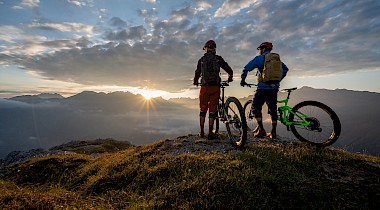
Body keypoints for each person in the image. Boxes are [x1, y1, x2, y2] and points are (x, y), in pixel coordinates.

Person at [240, 42, 289, 139]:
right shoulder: (276, 60)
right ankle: (273, 132)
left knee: (255, 107)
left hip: (262, 88)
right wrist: (278, 79)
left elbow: (246, 68)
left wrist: (243, 79)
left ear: (263, 49)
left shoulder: (259, 58)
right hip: (274, 88)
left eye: (259, 49)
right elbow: (285, 69)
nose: (259, 51)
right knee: (273, 109)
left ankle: (261, 130)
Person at [193, 40, 234, 140]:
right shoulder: (218, 59)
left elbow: (197, 72)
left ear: (206, 48)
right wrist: (230, 77)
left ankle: (202, 132)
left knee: (203, 109)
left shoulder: (202, 60)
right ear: (214, 49)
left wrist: (195, 81)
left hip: (205, 88)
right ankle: (210, 133)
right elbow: (229, 69)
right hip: (216, 87)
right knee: (212, 110)